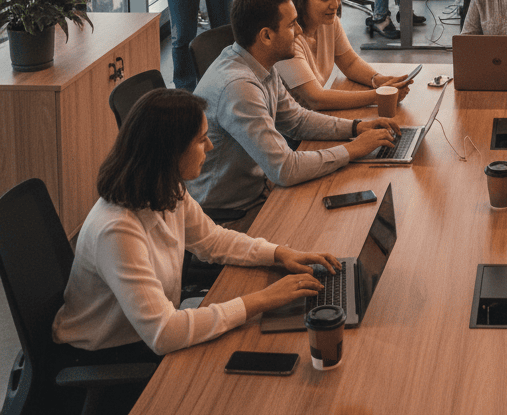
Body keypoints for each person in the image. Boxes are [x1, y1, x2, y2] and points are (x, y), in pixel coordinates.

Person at [52, 89, 340, 410]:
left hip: (145, 333)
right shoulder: (117, 229)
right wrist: (263, 300)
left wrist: (279, 253)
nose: (211, 146)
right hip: (107, 354)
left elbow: (212, 241)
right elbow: (164, 334)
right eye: (202, 140)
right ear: (171, 150)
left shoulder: (165, 186)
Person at [190, 0, 400, 230]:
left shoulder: (257, 62)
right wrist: (353, 150)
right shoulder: (239, 87)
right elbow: (285, 169)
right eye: (291, 25)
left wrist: (357, 127)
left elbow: (297, 120)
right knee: (339, 228)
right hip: (230, 217)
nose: (299, 31)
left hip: (260, 192)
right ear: (266, 36)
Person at [276, 0, 414, 110]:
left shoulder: (327, 21)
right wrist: (379, 96)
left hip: (311, 117)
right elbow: (315, 99)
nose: (335, 4)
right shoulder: (287, 39)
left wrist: (378, 79)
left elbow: (349, 62)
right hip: (293, 128)